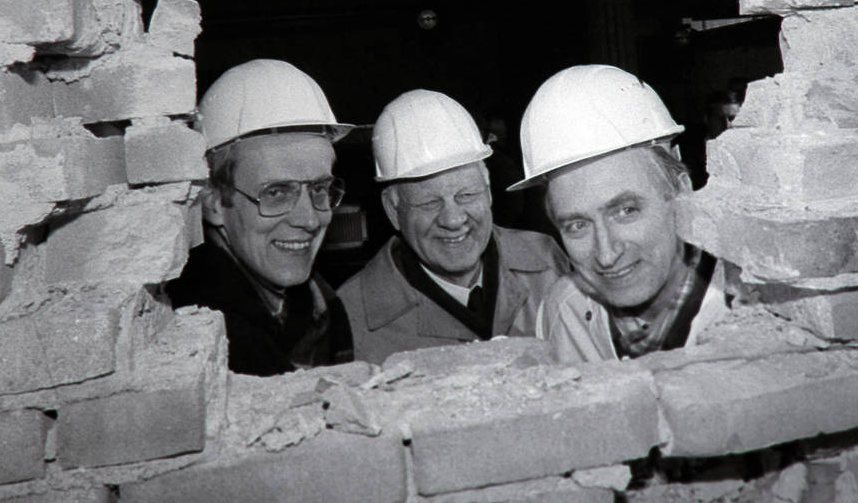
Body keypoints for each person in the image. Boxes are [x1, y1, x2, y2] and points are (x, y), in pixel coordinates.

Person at [513, 65, 730, 362]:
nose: (606, 255)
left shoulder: (755, 309)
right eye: (577, 225)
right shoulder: (565, 311)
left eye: (626, 211)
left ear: (681, 191)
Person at [337, 90, 567, 363]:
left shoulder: (547, 262)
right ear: (393, 209)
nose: (453, 220)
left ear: (488, 191)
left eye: (466, 195)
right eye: (429, 202)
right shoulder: (350, 315)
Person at [166, 58, 355, 376]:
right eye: (277, 192)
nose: (309, 220)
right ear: (213, 201)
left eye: (319, 189)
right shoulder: (204, 340)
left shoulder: (320, 307)